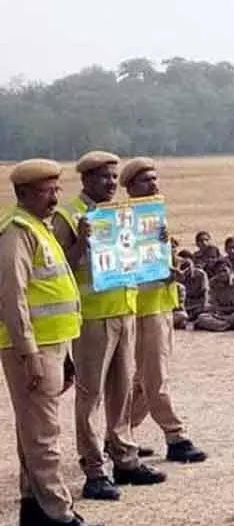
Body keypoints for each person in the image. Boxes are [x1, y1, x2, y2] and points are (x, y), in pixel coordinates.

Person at [0, 159, 109, 526]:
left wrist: (60, 354)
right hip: (31, 349)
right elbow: (12, 298)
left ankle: (33, 508)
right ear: (24, 193)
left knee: (32, 430)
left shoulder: (37, 228)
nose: (55, 197)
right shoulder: (16, 233)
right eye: (47, 191)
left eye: (56, 189)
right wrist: (30, 352)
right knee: (44, 433)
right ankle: (59, 517)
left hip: (51, 344)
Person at [52, 151, 166, 501]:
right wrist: (80, 243)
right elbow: (58, 270)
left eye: (115, 177)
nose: (111, 183)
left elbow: (137, 257)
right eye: (104, 177)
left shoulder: (123, 213)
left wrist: (155, 242)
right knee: (91, 395)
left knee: (121, 392)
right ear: (85, 179)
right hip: (92, 317)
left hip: (124, 309)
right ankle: (94, 468)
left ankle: (126, 459)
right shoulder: (69, 216)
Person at [119, 158, 207, 464]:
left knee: (144, 378)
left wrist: (175, 269)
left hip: (161, 302)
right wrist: (164, 273)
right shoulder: (126, 222)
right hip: (144, 307)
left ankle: (119, 434)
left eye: (155, 179)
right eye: (146, 181)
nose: (154, 185)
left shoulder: (154, 217)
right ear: (130, 188)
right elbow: (127, 267)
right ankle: (175, 435)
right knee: (155, 376)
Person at [194, 260, 234, 331]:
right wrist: (220, 313)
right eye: (219, 272)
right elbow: (215, 304)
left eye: (224, 270)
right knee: (202, 317)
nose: (222, 274)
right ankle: (226, 325)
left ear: (230, 270)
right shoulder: (213, 283)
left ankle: (221, 325)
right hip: (222, 313)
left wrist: (223, 314)